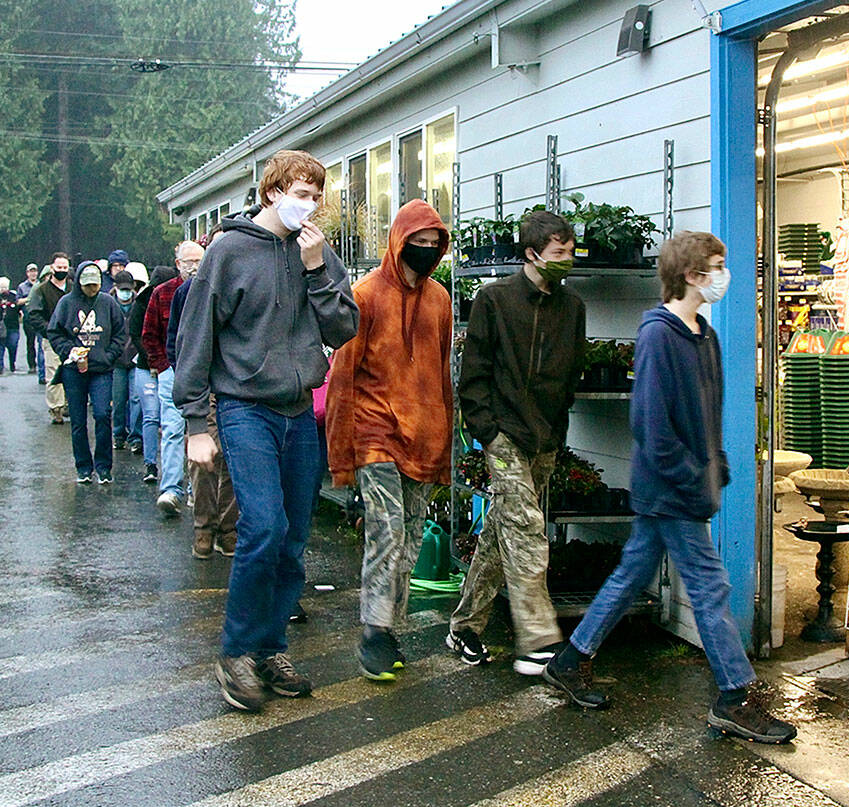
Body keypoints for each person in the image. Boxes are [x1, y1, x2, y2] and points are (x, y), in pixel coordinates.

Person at [542, 231, 797, 745]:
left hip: (683, 485)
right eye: (717, 266)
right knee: (710, 586)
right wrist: (689, 476)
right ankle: (735, 697)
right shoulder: (659, 335)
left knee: (632, 574)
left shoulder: (705, 334)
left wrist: (717, 462)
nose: (725, 275)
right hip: (670, 488)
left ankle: (572, 659)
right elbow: (650, 424)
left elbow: (710, 411)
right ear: (691, 274)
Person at [174, 149, 357, 713]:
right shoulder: (229, 251)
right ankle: (236, 653)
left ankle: (270, 646)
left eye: (316, 194)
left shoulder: (318, 255)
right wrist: (194, 423)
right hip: (243, 408)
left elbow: (343, 326)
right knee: (263, 526)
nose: (310, 204)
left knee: (294, 536)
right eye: (300, 193)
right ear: (272, 193)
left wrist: (316, 270)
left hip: (298, 409)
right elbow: (195, 335)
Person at [448, 209, 586, 675]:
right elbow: (475, 370)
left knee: (500, 532)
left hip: (544, 435)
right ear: (531, 254)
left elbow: (572, 372)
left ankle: (465, 625)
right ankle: (538, 638)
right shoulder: (494, 300)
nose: (566, 260)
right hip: (502, 433)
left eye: (570, 252)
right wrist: (485, 428)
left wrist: (558, 426)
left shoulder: (574, 308)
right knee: (526, 525)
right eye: (558, 253)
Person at [326, 199, 452, 680]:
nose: (423, 250)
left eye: (431, 244)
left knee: (413, 536)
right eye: (415, 242)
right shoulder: (365, 296)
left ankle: (389, 625)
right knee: (388, 529)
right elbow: (342, 377)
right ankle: (374, 631)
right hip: (374, 431)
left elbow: (441, 375)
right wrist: (342, 455)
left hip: (425, 435)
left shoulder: (439, 301)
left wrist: (444, 443)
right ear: (398, 242)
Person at [169, 232, 238, 560]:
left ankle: (229, 528)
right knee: (203, 461)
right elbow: (178, 341)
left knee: (233, 461)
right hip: (206, 387)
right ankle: (204, 527)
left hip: (240, 387)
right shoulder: (188, 291)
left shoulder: (247, 282)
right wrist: (189, 380)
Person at [47, 261, 127, 484]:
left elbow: (121, 333)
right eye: (87, 286)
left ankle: (103, 466)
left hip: (101, 368)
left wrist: (109, 355)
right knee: (78, 420)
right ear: (79, 284)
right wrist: (68, 350)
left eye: (95, 285)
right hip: (74, 369)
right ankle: (83, 466)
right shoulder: (66, 303)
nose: (92, 290)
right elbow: (54, 332)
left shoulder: (108, 303)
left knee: (102, 415)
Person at [143, 244, 201, 515]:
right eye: (188, 261)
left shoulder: (209, 290)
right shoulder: (162, 293)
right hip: (172, 372)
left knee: (200, 432)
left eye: (198, 260)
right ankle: (171, 489)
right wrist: (163, 367)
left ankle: (197, 491)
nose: (193, 266)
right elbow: (149, 335)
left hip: (203, 373)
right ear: (177, 264)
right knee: (173, 429)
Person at [129, 266, 176, 484]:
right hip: (146, 365)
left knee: (172, 420)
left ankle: (173, 468)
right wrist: (153, 361)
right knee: (151, 415)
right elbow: (138, 334)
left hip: (169, 365)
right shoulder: (141, 302)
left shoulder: (177, 297)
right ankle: (150, 463)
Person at [26, 253, 73, 423]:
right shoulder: (41, 289)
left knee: (73, 372)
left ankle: (70, 404)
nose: (61, 270)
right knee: (53, 373)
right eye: (59, 267)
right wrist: (49, 330)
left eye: (64, 268)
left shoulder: (73, 288)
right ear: (52, 268)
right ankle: (56, 409)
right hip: (51, 338)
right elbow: (34, 315)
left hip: (72, 339)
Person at [110, 270, 143, 453]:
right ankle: (118, 434)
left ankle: (136, 436)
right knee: (118, 399)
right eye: (122, 289)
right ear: (115, 288)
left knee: (136, 399)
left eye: (128, 289)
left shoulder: (139, 303)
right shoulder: (108, 304)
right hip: (116, 361)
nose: (126, 293)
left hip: (135, 358)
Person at [15, 263, 43, 378]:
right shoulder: (22, 286)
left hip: (40, 317)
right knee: (30, 342)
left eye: (35, 271)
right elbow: (17, 301)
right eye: (31, 271)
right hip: (28, 318)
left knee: (41, 343)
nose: (33, 273)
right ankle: (32, 364)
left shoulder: (41, 285)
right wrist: (28, 299)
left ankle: (42, 364)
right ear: (27, 273)